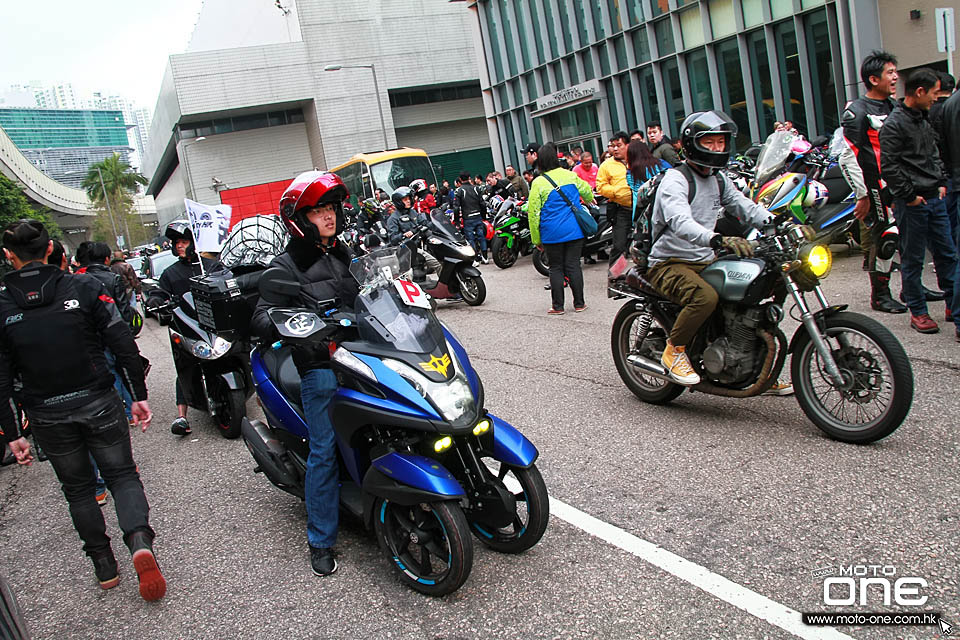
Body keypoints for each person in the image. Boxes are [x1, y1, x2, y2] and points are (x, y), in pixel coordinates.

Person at [0, 219, 165, 601]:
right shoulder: (83, 286)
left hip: (46, 413)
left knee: (77, 490)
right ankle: (140, 542)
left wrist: (13, 433)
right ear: (51, 250)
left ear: (9, 256)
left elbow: (2, 377)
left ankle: (104, 564)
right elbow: (121, 338)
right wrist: (138, 393)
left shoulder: (3, 302)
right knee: (122, 476)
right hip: (98, 400)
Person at [251, 171, 359, 577]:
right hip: (319, 363)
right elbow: (262, 316)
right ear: (300, 218)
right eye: (318, 211)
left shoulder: (344, 254)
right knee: (324, 447)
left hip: (363, 354)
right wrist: (296, 325)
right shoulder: (286, 265)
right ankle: (321, 539)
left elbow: (373, 289)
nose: (328, 217)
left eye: (331, 208)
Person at [646, 111, 794, 386]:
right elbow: (680, 221)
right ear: (692, 144)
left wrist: (779, 224)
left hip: (704, 257)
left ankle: (753, 366)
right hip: (668, 262)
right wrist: (717, 239)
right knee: (704, 298)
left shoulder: (719, 178)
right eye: (709, 143)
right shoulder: (675, 180)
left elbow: (744, 206)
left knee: (751, 290)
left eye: (721, 143)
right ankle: (674, 350)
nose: (716, 149)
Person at [880, 68, 957, 334]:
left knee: (947, 253)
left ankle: (952, 303)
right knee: (913, 258)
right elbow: (889, 167)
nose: (937, 98)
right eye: (934, 93)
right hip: (913, 203)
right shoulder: (895, 124)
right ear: (920, 92)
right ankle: (918, 310)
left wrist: (943, 182)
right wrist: (910, 197)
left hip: (935, 197)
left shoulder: (923, 119)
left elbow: (935, 154)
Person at [839, 50, 910, 314]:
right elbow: (848, 155)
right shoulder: (856, 110)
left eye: (895, 71)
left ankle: (911, 287)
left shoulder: (895, 106)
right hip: (876, 186)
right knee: (887, 239)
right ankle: (880, 295)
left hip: (901, 183)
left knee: (910, 236)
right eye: (890, 73)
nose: (895, 77)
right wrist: (863, 194)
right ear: (873, 79)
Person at [158, 222, 222, 436]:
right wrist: (156, 300)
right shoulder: (170, 273)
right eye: (176, 242)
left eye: (183, 241)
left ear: (193, 243)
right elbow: (159, 293)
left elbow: (228, 281)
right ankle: (182, 416)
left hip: (215, 324)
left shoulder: (211, 265)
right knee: (185, 366)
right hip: (186, 326)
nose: (179, 246)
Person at [527, 142, 595, 314]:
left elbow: (533, 214)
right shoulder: (570, 175)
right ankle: (579, 303)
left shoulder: (538, 183)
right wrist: (586, 199)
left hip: (551, 232)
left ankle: (558, 306)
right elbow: (587, 191)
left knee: (556, 267)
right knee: (573, 265)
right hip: (574, 229)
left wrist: (536, 239)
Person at [596, 131, 633, 266]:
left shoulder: (636, 159)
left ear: (627, 145)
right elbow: (600, 186)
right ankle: (615, 277)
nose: (615, 149)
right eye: (613, 146)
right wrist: (616, 192)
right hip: (621, 209)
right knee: (619, 245)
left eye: (619, 145)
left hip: (640, 208)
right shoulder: (606, 165)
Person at [386, 186, 443, 274]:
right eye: (405, 199)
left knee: (437, 264)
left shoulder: (413, 212)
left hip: (418, 245)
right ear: (398, 202)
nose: (408, 201)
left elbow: (425, 223)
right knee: (409, 274)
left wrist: (440, 225)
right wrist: (404, 235)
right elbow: (393, 239)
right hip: (406, 251)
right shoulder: (393, 219)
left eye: (409, 198)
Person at [931, 72, 958, 243]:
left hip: (942, 174)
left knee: (945, 221)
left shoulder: (932, 110)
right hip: (949, 173)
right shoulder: (950, 106)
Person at [452, 172, 488, 263]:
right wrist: (483, 216)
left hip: (468, 218)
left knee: (470, 238)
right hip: (478, 216)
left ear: (460, 179)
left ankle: (474, 259)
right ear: (469, 178)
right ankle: (485, 257)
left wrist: (457, 221)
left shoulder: (459, 191)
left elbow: (456, 208)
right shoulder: (476, 188)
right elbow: (483, 204)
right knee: (481, 236)